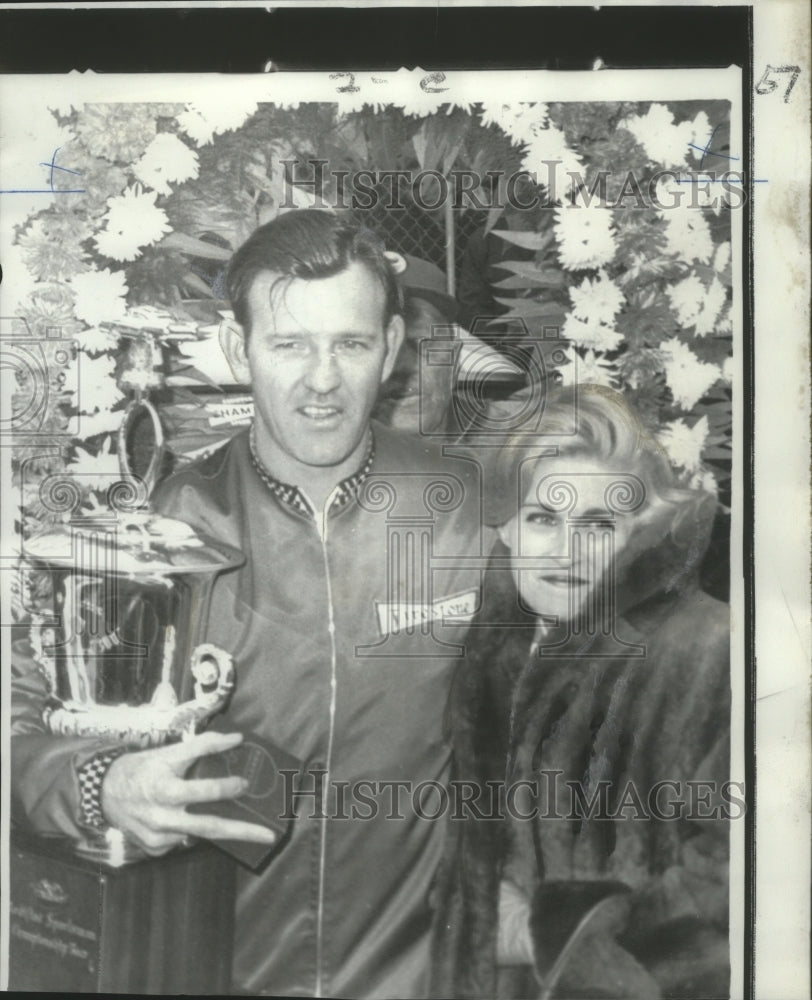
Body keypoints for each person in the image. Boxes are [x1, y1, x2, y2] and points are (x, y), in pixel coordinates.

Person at [11, 211, 490, 998]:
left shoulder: (465, 505)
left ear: (394, 348)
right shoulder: (161, 528)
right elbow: (18, 727)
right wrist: (104, 784)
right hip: (209, 969)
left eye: (352, 344)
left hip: (421, 977)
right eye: (290, 344)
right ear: (239, 351)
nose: (323, 380)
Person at [430, 384, 731, 999]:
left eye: (597, 524)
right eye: (544, 518)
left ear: (639, 532)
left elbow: (746, 870)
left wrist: (552, 935)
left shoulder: (709, 650)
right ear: (507, 527)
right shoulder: (484, 652)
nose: (567, 551)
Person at [373, 254, 459, 436]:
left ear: (455, 359)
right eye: (385, 347)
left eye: (422, 342)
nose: (403, 365)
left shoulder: (508, 445)